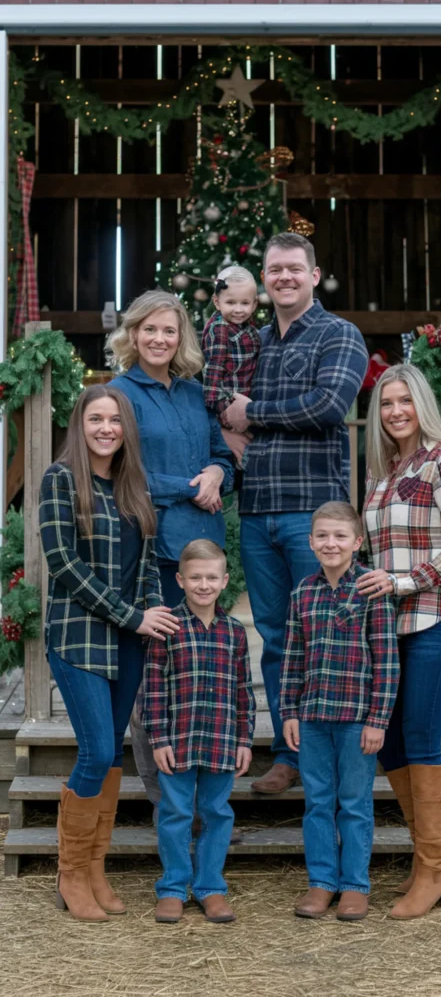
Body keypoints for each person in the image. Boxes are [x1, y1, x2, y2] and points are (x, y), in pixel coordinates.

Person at [224, 232, 369, 794]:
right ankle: (289, 755)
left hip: (313, 513)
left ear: (313, 275)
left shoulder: (339, 335)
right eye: (274, 270)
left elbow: (327, 405)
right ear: (264, 279)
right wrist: (225, 430)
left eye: (293, 268)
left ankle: (332, 756)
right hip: (258, 510)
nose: (283, 277)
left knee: (326, 633)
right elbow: (224, 402)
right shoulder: (253, 340)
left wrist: (253, 413)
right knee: (276, 635)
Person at [39, 385, 174, 923]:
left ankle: (95, 871)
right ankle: (71, 874)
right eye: (95, 418)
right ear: (80, 424)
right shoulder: (59, 480)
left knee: (113, 754)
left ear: (126, 430)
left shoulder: (132, 486)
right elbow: (63, 564)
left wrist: (153, 612)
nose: (105, 428)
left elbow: (147, 566)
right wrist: (131, 615)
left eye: (114, 420)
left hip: (129, 641)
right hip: (78, 636)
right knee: (96, 751)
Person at [359, 364, 441, 920]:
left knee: (419, 739)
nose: (395, 412)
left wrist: (404, 582)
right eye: (386, 403)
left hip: (438, 617)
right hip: (390, 627)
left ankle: (435, 869)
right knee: (388, 742)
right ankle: (426, 859)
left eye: (404, 401)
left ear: (422, 405)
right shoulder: (383, 471)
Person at [107, 290, 234, 814]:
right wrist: (189, 485)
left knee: (202, 675)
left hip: (204, 553)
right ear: (133, 334)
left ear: (181, 338)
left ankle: (205, 805)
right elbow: (122, 473)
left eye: (169, 330)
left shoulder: (194, 393)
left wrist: (218, 471)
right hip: (154, 553)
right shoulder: (119, 394)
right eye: (150, 329)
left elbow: (222, 454)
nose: (159, 339)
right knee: (156, 679)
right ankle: (167, 806)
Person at [280, 501, 399, 922]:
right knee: (317, 802)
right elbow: (292, 658)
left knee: (353, 803)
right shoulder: (302, 592)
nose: (331, 543)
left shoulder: (370, 589)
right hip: (312, 718)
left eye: (340, 536)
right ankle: (321, 882)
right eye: (323, 536)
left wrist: (377, 720)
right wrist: (289, 712)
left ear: (357, 541)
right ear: (311, 542)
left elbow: (386, 661)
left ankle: (354, 885)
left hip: (356, 720)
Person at [142, 540, 256, 924]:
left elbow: (244, 691)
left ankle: (210, 887)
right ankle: (173, 887)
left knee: (216, 813)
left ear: (225, 580)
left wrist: (244, 740)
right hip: (178, 740)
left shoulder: (235, 632)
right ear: (180, 580)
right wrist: (158, 738)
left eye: (211, 577)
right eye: (195, 577)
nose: (203, 585)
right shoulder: (166, 628)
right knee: (175, 812)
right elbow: (153, 688)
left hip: (222, 740)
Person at [201, 266, 260, 456]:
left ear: (254, 304)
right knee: (235, 455)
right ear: (217, 302)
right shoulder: (220, 330)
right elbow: (212, 378)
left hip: (246, 404)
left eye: (245, 303)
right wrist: (227, 413)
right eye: (231, 302)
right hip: (227, 409)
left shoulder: (247, 327)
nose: (238, 309)